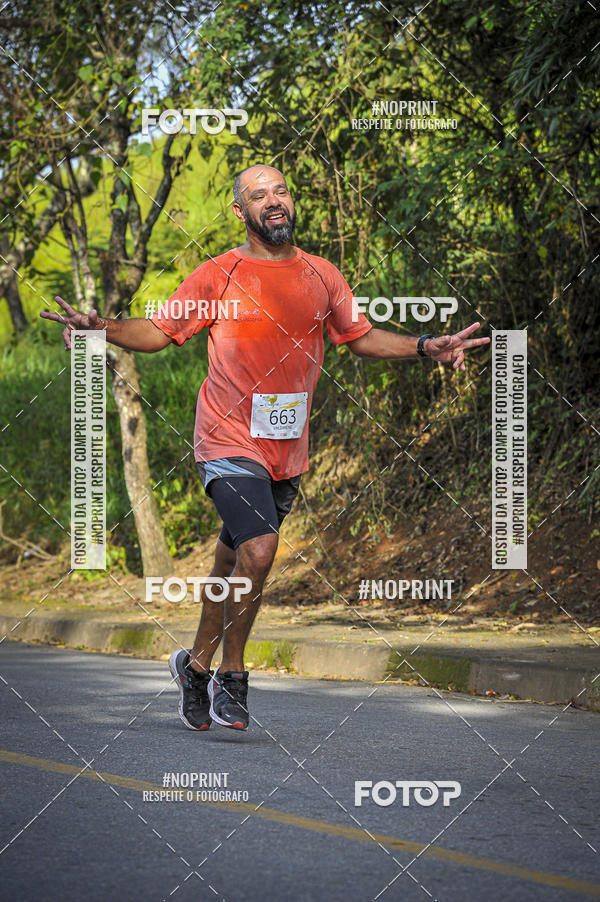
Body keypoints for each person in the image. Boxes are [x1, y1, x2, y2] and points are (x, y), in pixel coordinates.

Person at [41, 164, 490, 733]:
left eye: (280, 191)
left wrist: (427, 344)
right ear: (240, 211)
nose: (274, 201)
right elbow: (157, 333)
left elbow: (362, 337)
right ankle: (232, 675)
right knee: (259, 549)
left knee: (232, 559)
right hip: (226, 439)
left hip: (287, 449)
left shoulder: (322, 275)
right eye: (259, 195)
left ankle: (193, 665)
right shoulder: (218, 275)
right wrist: (99, 326)